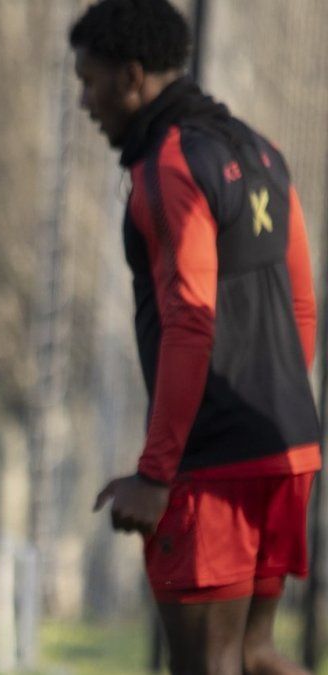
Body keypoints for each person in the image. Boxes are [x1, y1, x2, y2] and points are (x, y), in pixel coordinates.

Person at [74, 1, 321, 672]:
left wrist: (156, 474)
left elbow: (190, 319)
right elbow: (303, 304)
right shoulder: (260, 149)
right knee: (257, 653)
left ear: (130, 77)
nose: (84, 101)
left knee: (208, 664)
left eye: (90, 81)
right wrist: (266, 419)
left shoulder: (170, 166)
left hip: (212, 464)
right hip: (286, 448)